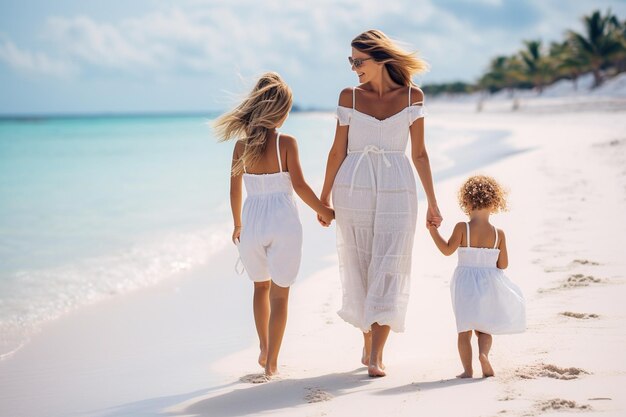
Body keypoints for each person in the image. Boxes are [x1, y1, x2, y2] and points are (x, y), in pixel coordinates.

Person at [318, 30, 442, 377]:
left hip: (398, 188)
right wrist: (323, 198)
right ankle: (368, 341)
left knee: (390, 265)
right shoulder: (349, 97)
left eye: (358, 61)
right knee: (359, 265)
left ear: (381, 60)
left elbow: (419, 153)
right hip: (353, 186)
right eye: (350, 61)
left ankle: (376, 354)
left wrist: (433, 201)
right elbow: (336, 151)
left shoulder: (413, 96)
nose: (353, 68)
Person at [214, 72, 335, 378]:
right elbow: (301, 186)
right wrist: (325, 211)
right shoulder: (287, 143)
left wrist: (237, 225)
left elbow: (233, 190)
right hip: (284, 223)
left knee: (260, 288)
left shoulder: (241, 147)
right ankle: (272, 364)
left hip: (252, 222)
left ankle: (264, 347)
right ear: (279, 111)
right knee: (280, 295)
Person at [427, 175, 526, 378]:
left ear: (467, 202)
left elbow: (447, 250)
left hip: (465, 285)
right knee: (484, 328)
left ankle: (467, 370)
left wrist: (433, 231)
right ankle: (483, 355)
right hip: (489, 285)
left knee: (464, 330)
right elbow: (503, 264)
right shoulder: (499, 234)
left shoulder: (463, 228)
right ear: (494, 203)